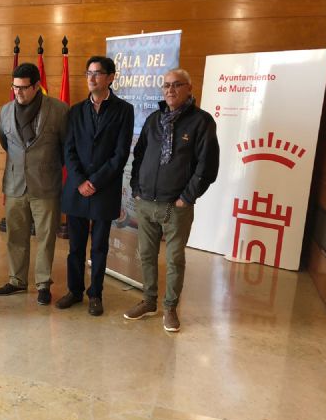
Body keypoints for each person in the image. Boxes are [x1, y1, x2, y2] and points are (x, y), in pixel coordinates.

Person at [123, 68, 219, 332]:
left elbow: (207, 166)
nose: (170, 90)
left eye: (176, 85)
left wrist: (187, 197)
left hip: (176, 206)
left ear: (189, 88)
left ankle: (170, 308)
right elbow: (139, 155)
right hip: (146, 202)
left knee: (175, 259)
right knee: (146, 255)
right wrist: (136, 188)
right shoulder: (154, 119)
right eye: (166, 85)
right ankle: (149, 301)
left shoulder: (202, 121)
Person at [56, 56, 134, 316]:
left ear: (111, 77)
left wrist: (95, 181)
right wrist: (80, 181)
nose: (91, 78)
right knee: (75, 246)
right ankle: (75, 291)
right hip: (77, 189)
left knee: (99, 247)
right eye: (88, 73)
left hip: (104, 188)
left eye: (97, 73)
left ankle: (95, 294)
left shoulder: (124, 110)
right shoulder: (76, 110)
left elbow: (120, 154)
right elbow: (69, 150)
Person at [0, 63, 68, 305]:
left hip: (46, 184)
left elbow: (66, 146)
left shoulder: (58, 110)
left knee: (46, 237)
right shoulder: (5, 111)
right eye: (15, 87)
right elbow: (6, 143)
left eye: (24, 88)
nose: (18, 92)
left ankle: (43, 284)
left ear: (37, 86)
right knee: (15, 235)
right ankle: (17, 280)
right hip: (15, 183)